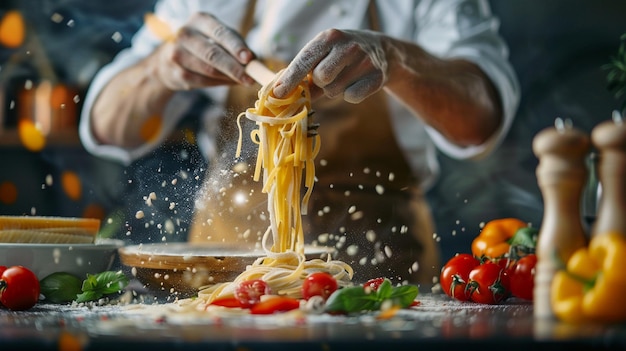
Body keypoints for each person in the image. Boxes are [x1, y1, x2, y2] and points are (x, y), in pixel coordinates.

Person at [79, 0, 519, 285]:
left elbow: (480, 122)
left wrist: (396, 59)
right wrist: (159, 68)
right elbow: (107, 127)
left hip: (379, 280)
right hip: (226, 283)